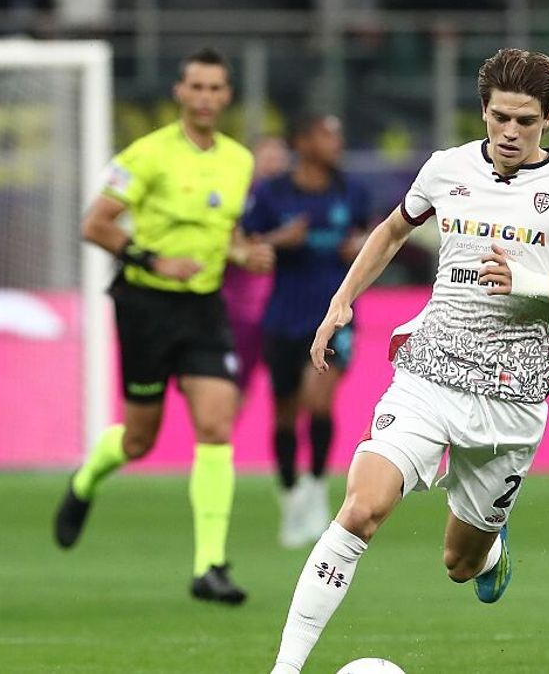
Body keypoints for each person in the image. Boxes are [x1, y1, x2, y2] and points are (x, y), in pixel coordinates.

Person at [269, 47, 549, 674]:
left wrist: (531, 283)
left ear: (548, 119)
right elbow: (392, 230)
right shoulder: (446, 169)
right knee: (360, 510)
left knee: (460, 563)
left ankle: (490, 552)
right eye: (499, 117)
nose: (510, 132)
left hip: (512, 398)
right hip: (429, 373)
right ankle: (285, 668)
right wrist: (341, 300)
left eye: (525, 121)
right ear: (483, 110)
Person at [53, 47, 274, 606]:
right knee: (138, 440)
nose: (205, 97)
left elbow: (225, 232)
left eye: (215, 88)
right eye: (196, 86)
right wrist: (154, 260)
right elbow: (95, 224)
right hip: (146, 306)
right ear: (179, 92)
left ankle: (209, 566)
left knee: (217, 425)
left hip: (203, 308)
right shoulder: (146, 155)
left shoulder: (238, 161)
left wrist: (243, 253)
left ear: (227, 96)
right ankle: (86, 479)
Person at [242, 114, 371, 549]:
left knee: (319, 402)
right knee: (284, 413)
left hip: (334, 316)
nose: (336, 143)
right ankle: (290, 494)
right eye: (326, 135)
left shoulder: (351, 191)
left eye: (337, 135)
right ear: (303, 142)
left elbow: (373, 238)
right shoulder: (272, 193)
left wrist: (358, 248)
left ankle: (316, 487)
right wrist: (280, 240)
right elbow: (245, 245)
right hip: (284, 316)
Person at [223, 134, 292, 395]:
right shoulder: (236, 198)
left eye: (279, 157)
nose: (274, 163)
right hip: (242, 306)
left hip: (285, 306)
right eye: (267, 157)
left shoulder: (295, 198)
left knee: (287, 384)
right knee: (236, 380)